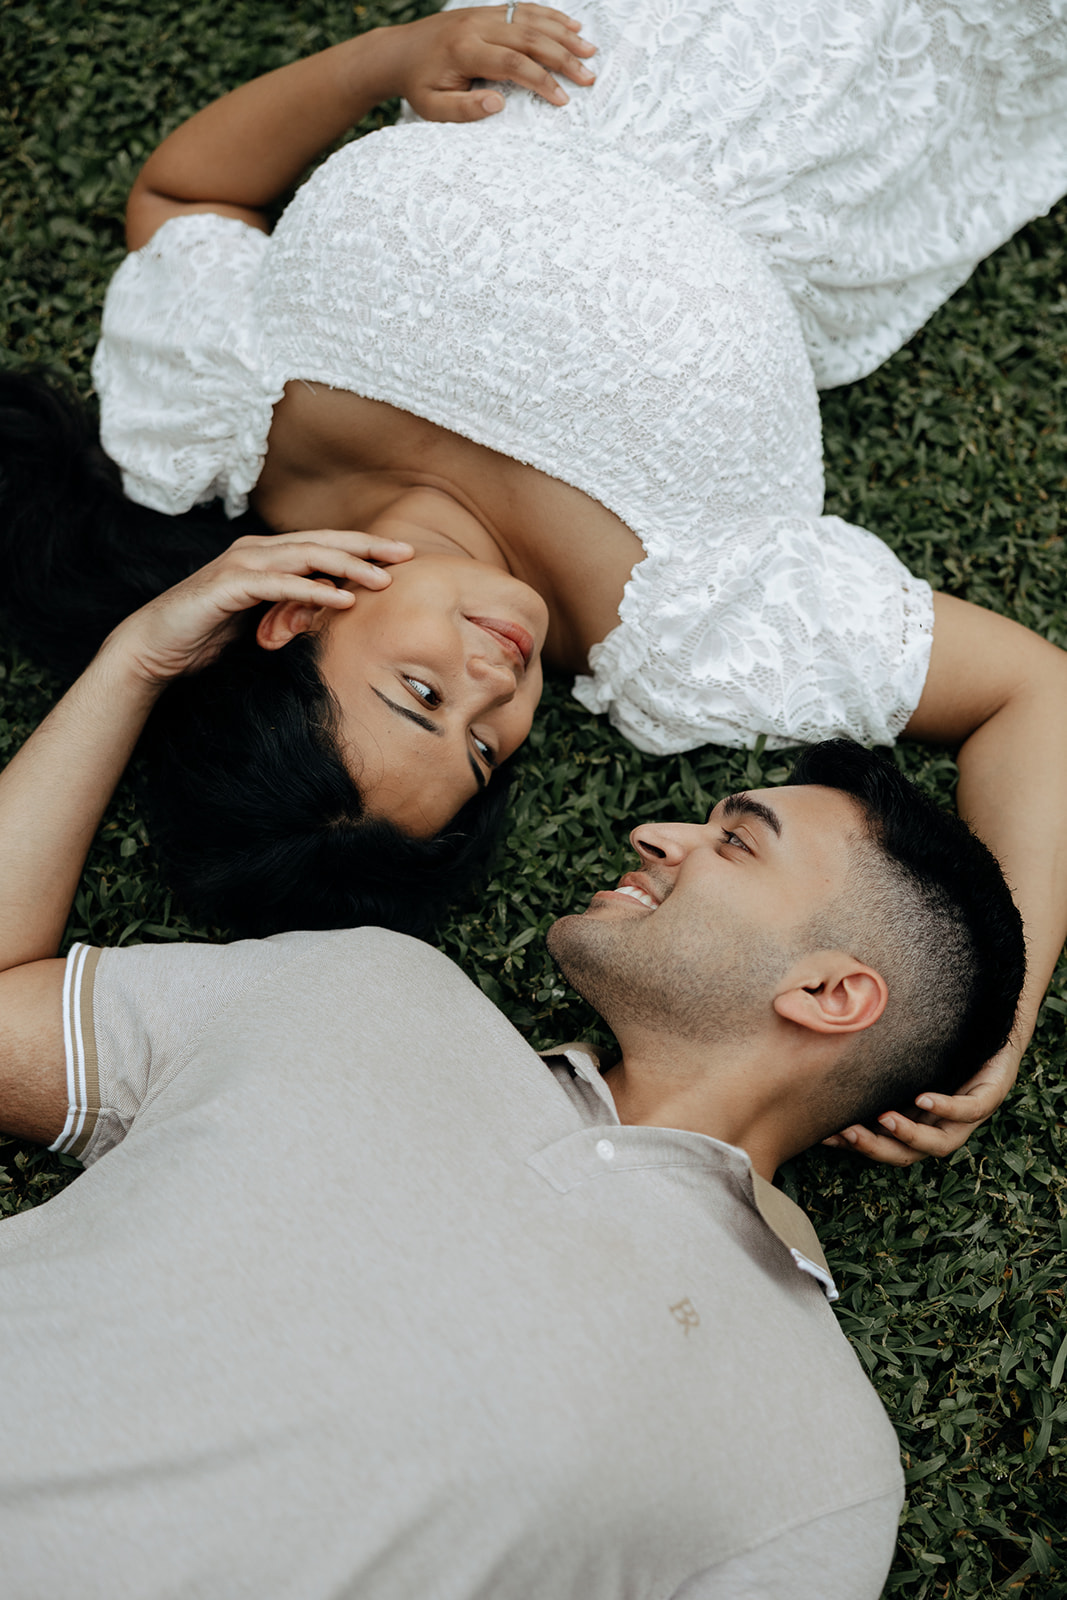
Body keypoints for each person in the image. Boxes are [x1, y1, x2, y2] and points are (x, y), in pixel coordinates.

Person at [2, 0, 1065, 1161]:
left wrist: (389, 59)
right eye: (478, 749)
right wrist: (987, 1016)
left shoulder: (220, 409)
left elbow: (182, 197)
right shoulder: (682, 629)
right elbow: (1032, 694)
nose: (492, 689)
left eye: (420, 691)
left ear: (293, 614)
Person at [0, 556, 1027, 1598]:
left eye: (731, 842)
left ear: (828, 994)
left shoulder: (820, 1465)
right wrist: (135, 658)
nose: (654, 834)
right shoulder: (367, 984)